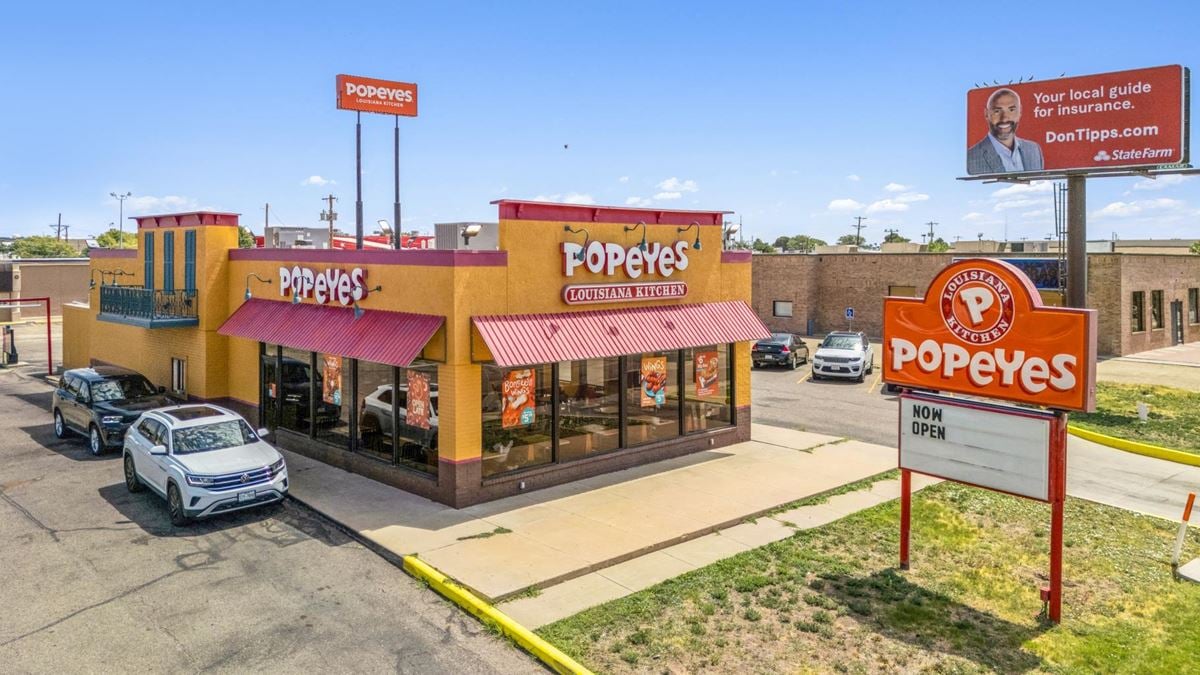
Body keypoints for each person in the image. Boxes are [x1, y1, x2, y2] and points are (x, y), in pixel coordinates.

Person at [967, 88, 1044, 174]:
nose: (1004, 118)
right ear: (986, 113)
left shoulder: (1034, 150)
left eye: (1011, 110)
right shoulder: (970, 158)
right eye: (997, 111)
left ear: (1020, 111)